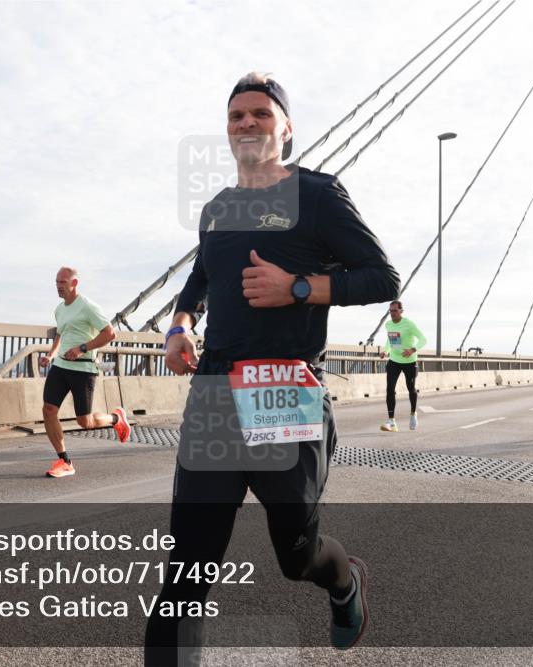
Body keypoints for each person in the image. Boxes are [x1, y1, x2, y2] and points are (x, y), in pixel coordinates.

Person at [145, 72, 400, 664]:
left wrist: (300, 287)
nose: (247, 124)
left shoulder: (317, 195)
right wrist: (180, 324)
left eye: (261, 114)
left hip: (283, 385)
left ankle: (343, 581)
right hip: (215, 386)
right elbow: (200, 279)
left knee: (296, 555)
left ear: (286, 128)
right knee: (188, 565)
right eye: (237, 116)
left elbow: (381, 278)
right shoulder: (217, 210)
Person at [39, 266, 131, 478]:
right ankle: (65, 460)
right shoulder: (59, 309)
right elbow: (60, 334)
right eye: (56, 282)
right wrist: (52, 354)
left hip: (83, 369)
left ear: (74, 283)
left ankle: (116, 419)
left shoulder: (88, 307)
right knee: (49, 409)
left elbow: (110, 334)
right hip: (61, 367)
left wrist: (82, 349)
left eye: (62, 282)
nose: (58, 286)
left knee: (85, 422)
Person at [379, 300, 426, 431]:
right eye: (390, 311)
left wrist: (413, 349)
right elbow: (391, 340)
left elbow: (423, 339)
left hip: (409, 361)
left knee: (411, 388)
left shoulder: (409, 324)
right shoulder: (388, 324)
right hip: (394, 360)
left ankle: (413, 414)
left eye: (395, 311)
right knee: (390, 389)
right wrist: (386, 351)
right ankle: (391, 421)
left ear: (401, 311)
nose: (392, 313)